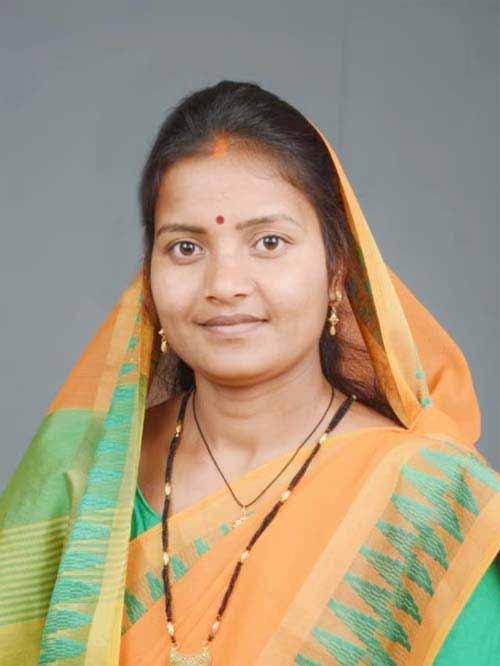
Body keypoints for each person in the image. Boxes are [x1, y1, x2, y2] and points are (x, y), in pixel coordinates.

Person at [0, 80, 499, 666]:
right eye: (186, 248)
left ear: (338, 268)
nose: (225, 284)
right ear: (149, 276)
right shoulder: (83, 478)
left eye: (269, 241)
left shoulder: (428, 505)